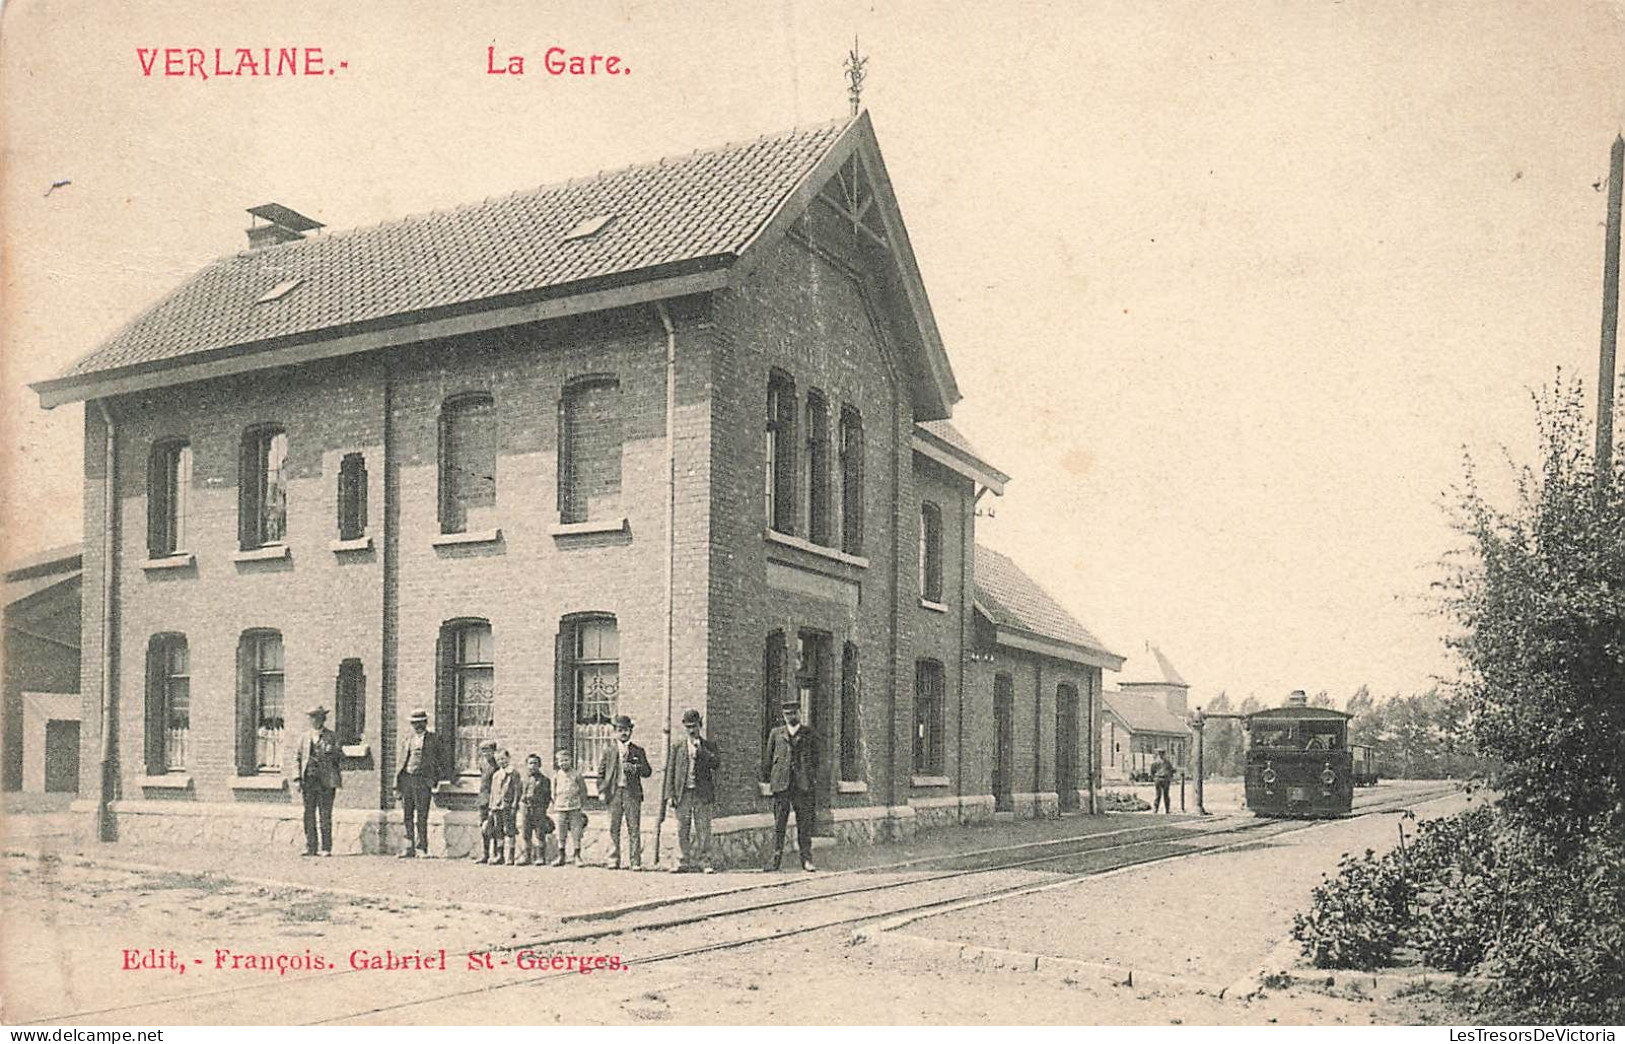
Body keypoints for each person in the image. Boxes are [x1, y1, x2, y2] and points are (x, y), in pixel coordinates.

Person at [761, 699, 820, 872]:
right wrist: (770, 781)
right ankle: (775, 860)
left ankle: (806, 860)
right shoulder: (776, 734)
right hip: (782, 785)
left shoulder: (809, 734)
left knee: (804, 824)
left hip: (802, 785)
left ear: (799, 714)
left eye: (793, 713)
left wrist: (810, 778)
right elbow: (768, 758)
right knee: (779, 824)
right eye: (787, 714)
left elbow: (817, 759)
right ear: (783, 715)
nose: (790, 717)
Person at [666, 708, 721, 873]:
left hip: (702, 793)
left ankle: (705, 862)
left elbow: (716, 763)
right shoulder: (677, 747)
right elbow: (671, 771)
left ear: (700, 726)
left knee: (703, 828)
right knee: (682, 827)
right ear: (684, 726)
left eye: (695, 726)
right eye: (688, 726)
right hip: (683, 793)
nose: (691, 730)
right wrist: (670, 795)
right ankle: (683, 861)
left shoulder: (708, 746)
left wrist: (701, 751)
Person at [597, 715, 652, 870]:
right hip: (614, 793)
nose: (623, 733)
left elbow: (648, 771)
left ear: (630, 732)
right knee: (613, 827)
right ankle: (613, 859)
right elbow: (601, 774)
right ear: (615, 732)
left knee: (633, 828)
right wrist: (602, 791)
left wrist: (636, 768)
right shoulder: (609, 751)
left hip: (632, 794)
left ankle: (635, 862)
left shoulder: (637, 751)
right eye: (620, 730)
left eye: (626, 730)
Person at [395, 708, 444, 858]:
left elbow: (442, 760)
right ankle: (409, 847)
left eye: (420, 723)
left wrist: (436, 779)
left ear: (425, 722)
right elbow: (401, 762)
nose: (417, 726)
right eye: (414, 723)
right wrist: (396, 785)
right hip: (407, 780)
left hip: (423, 781)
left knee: (422, 816)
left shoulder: (434, 739)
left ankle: (422, 847)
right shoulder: (408, 739)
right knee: (407, 815)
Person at [294, 705, 342, 857]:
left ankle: (326, 847)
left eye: (318, 716)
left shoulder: (332, 737)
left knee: (325, 814)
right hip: (309, 780)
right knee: (308, 814)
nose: (315, 720)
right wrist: (297, 778)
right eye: (312, 716)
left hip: (326, 781)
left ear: (323, 718)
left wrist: (332, 752)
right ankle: (311, 847)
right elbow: (297, 759)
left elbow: (340, 757)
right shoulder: (304, 737)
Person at [551, 750, 588, 866]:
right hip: (560, 807)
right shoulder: (556, 776)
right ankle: (561, 855)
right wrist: (557, 803)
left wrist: (580, 805)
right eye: (561, 761)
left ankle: (577, 855)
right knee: (561, 832)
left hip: (574, 807)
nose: (563, 763)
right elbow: (553, 792)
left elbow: (583, 791)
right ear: (557, 762)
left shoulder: (577, 775)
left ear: (571, 760)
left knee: (576, 832)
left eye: (566, 760)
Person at [517, 753, 553, 866]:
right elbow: (518, 793)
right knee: (526, 834)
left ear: (540, 765)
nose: (533, 766)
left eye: (535, 763)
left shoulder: (544, 780)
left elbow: (547, 796)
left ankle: (540, 857)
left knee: (539, 833)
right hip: (525, 808)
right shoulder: (523, 779)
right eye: (530, 763)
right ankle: (527, 856)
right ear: (526, 765)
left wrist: (542, 809)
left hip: (538, 809)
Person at [487, 749, 521, 866]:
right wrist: (491, 806)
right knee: (498, 830)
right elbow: (493, 792)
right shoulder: (496, 775)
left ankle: (510, 855)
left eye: (503, 759)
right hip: (497, 806)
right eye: (498, 760)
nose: (501, 762)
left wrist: (514, 805)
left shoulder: (514, 773)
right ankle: (500, 855)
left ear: (508, 758)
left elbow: (517, 791)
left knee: (509, 830)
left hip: (507, 805)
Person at [474, 741, 499, 864]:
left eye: (488, 750)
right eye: (483, 750)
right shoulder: (482, 764)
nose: (485, 753)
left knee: (493, 827)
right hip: (483, 799)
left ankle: (496, 854)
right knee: (483, 828)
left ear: (494, 751)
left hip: (493, 799)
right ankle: (485, 854)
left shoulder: (496, 765)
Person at [1151, 749, 1175, 814]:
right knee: (1158, 795)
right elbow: (1152, 771)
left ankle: (1167, 810)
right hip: (1158, 779)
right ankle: (1155, 809)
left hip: (1166, 779)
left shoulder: (1167, 762)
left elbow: (1171, 770)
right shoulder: (1155, 762)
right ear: (1158, 754)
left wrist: (1170, 777)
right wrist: (1155, 778)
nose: (1161, 755)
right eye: (1160, 754)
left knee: (1166, 795)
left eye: (1162, 753)